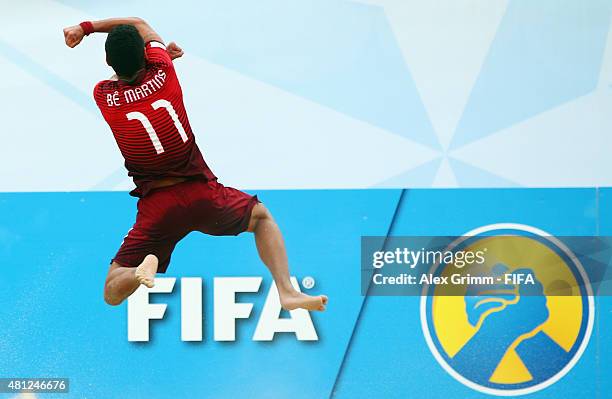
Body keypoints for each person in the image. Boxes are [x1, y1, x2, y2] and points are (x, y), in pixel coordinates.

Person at [62, 17, 327, 311]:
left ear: (109, 61)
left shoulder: (104, 95)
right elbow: (138, 23)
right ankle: (287, 291)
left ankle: (139, 272)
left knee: (112, 291)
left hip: (158, 208)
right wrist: (86, 27)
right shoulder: (164, 71)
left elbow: (124, 76)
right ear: (147, 55)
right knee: (262, 219)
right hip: (202, 195)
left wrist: (85, 34)